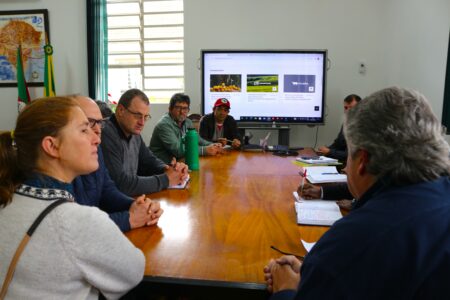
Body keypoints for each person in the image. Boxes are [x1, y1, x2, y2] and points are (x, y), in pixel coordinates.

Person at [264, 87, 450, 299]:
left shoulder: (352, 244)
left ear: (362, 160)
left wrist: (286, 289)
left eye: (349, 156)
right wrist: (315, 273)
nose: (344, 168)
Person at [0, 97, 144, 299]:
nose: (97, 139)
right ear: (52, 146)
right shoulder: (77, 222)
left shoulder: (7, 201)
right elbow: (134, 271)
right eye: (84, 130)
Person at [71, 95, 163, 232]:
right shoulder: (51, 177)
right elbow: (75, 226)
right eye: (88, 124)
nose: (98, 131)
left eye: (99, 123)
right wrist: (129, 218)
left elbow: (107, 190)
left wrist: (136, 206)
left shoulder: (94, 148)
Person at [101, 88, 188, 196]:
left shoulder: (133, 133)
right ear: (120, 111)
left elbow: (148, 160)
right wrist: (166, 179)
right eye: (137, 116)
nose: (142, 123)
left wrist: (168, 169)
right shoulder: (105, 134)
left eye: (146, 117)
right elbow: (121, 184)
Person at [149, 93, 223, 164]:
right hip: (161, 165)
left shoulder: (188, 122)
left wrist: (213, 145)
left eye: (185, 108)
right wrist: (204, 150)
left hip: (180, 161)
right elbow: (178, 150)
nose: (182, 112)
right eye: (178, 108)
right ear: (170, 109)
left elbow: (198, 139)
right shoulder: (164, 125)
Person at [316, 94, 361, 161]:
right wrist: (325, 150)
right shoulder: (346, 123)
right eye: (346, 108)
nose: (348, 111)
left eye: (351, 107)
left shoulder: (363, 127)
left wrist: (329, 152)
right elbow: (338, 144)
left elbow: (351, 155)